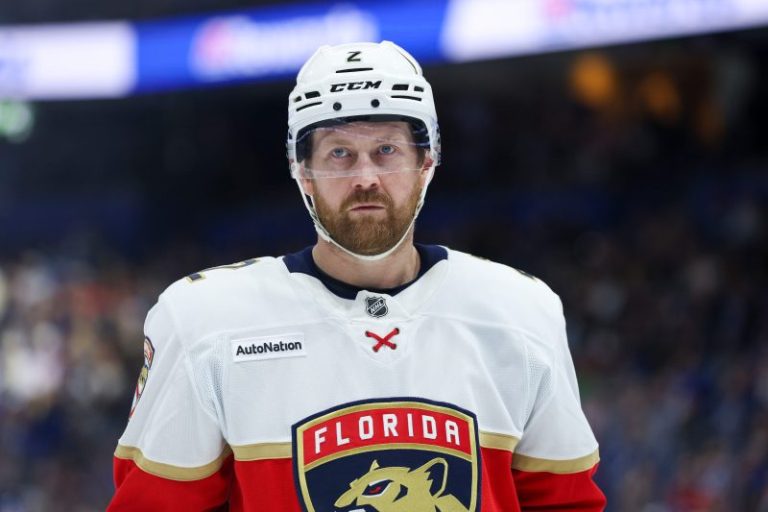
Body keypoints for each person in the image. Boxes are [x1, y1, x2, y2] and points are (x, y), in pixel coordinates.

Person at [108, 41, 607, 511]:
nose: (365, 177)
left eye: (386, 150)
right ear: (302, 171)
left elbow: (566, 503)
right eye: (339, 153)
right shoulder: (205, 323)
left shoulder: (521, 314)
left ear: (426, 162)